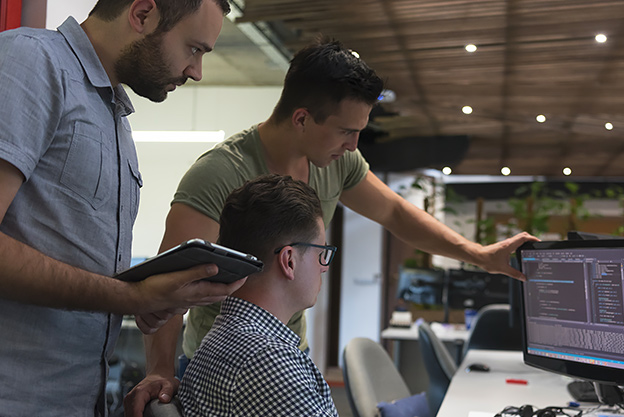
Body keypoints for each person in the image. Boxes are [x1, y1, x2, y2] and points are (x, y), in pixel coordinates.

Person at [125, 38, 538, 416]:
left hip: (287, 353)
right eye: (346, 131)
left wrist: (479, 255)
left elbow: (394, 213)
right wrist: (159, 369)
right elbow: (169, 281)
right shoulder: (218, 174)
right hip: (233, 363)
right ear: (302, 119)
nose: (354, 145)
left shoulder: (336, 161)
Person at [0, 0, 246, 415]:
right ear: (143, 13)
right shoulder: (30, 60)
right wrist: (128, 296)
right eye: (194, 48)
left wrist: (148, 297)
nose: (196, 71)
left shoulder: (113, 116)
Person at [178, 175, 339, 416]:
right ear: (289, 261)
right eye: (321, 253)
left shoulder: (225, 336)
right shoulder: (267, 360)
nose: (324, 267)